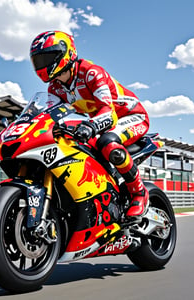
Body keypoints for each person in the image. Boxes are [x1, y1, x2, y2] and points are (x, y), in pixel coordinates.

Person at [30, 30, 150, 220]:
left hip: (130, 115)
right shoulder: (54, 88)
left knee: (107, 143)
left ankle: (139, 192)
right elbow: (52, 116)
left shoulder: (92, 73)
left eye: (48, 57)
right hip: (100, 121)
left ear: (66, 53)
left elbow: (108, 113)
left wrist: (90, 126)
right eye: (38, 60)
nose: (42, 65)